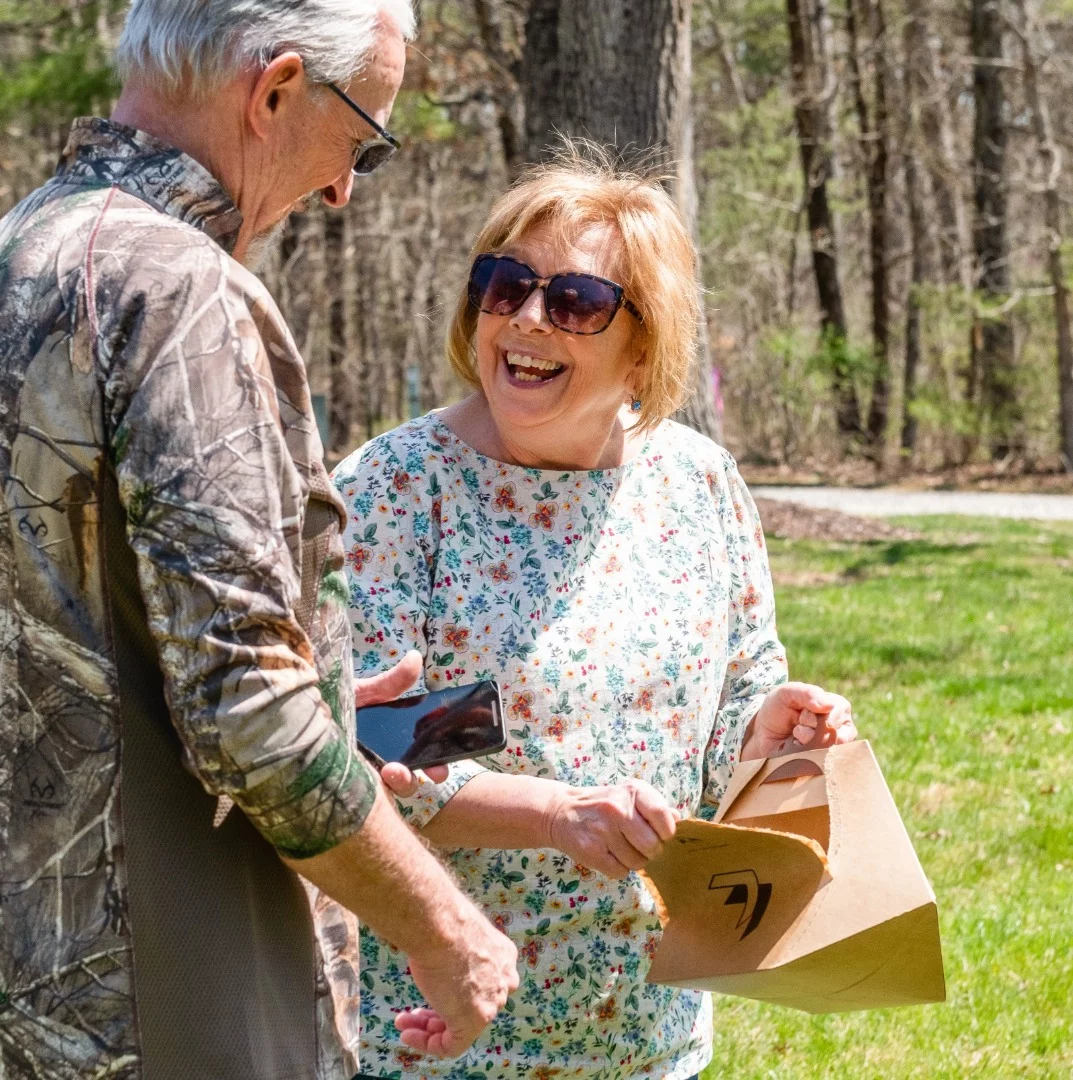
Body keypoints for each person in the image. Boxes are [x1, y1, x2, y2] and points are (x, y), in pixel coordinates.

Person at [0, 3, 517, 1078]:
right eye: (360, 141)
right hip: (167, 984)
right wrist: (446, 931)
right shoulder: (183, 294)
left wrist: (327, 698)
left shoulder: (23, 246)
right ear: (275, 90)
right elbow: (248, 721)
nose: (340, 190)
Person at [333, 146, 857, 1080]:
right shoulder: (393, 487)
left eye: (574, 301)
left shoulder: (699, 483)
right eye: (504, 284)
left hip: (648, 1026)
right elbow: (362, 742)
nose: (527, 318)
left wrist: (765, 733)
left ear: (643, 346)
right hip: (441, 1025)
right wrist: (553, 813)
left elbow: (735, 694)